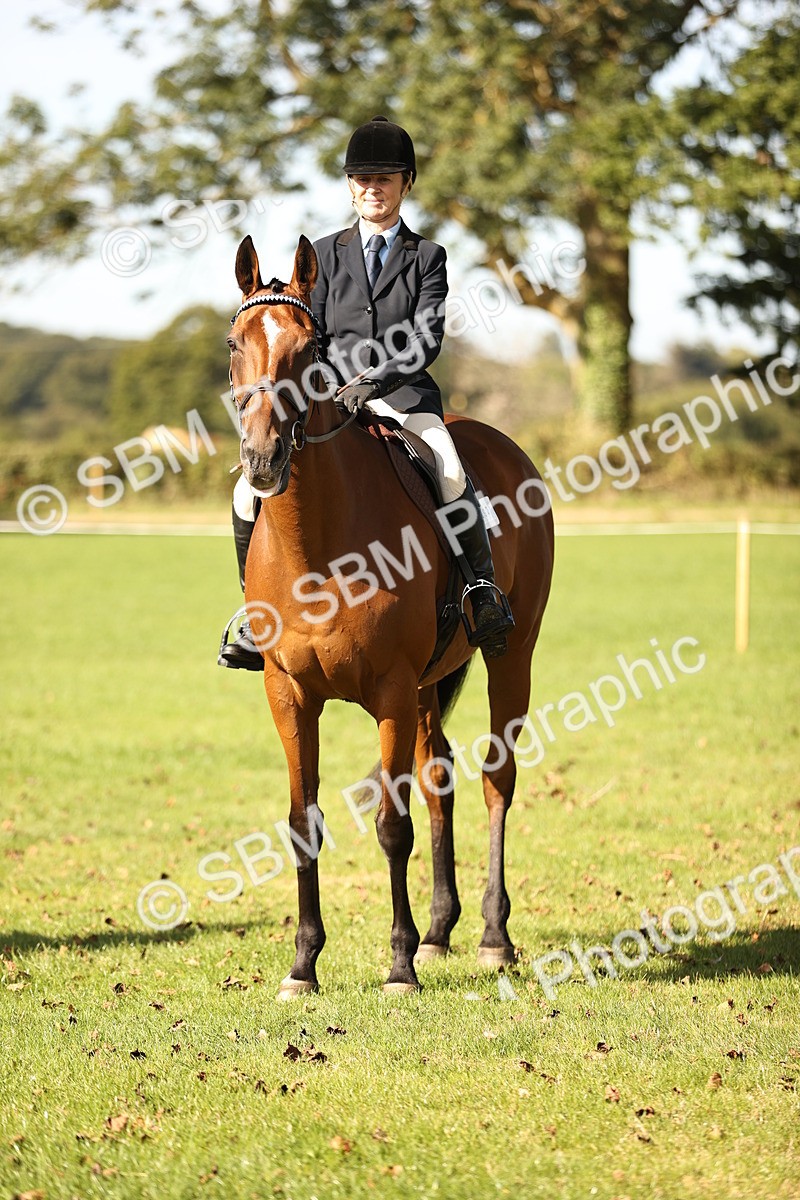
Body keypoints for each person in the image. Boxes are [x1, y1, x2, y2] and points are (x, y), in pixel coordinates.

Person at [219, 115, 514, 671]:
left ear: (405, 185)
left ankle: (481, 592)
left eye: (385, 178)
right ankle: (256, 618)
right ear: (350, 187)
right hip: (331, 402)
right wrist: (333, 385)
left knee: (451, 472)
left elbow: (425, 339)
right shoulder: (323, 255)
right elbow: (309, 333)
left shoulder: (428, 258)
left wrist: (374, 384)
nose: (372, 188)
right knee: (244, 494)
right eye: (362, 179)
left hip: (403, 400)